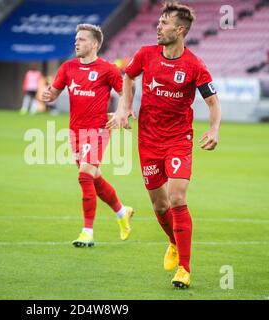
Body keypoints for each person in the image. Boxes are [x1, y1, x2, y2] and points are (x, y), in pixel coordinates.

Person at [107, 2, 221, 288]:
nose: (158, 26)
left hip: (178, 139)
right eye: (158, 22)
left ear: (180, 30)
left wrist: (215, 128)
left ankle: (184, 267)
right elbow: (129, 75)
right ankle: (173, 241)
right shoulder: (145, 54)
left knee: (177, 197)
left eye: (165, 23)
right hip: (148, 139)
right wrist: (124, 107)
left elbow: (212, 101)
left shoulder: (194, 65)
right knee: (159, 206)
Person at [41, 24, 134, 247]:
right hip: (75, 131)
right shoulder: (68, 67)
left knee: (84, 176)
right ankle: (122, 212)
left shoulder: (107, 69)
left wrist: (123, 111)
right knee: (94, 178)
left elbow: (125, 92)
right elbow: (54, 92)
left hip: (99, 129)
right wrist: (48, 95)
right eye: (76, 39)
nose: (77, 42)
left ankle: (87, 232)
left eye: (82, 39)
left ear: (94, 44)